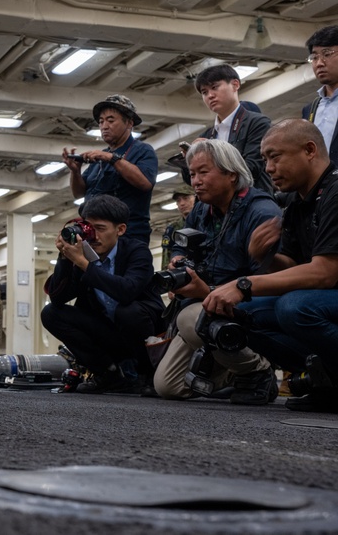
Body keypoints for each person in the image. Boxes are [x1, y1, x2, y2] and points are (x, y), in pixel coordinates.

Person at [203, 119, 338, 412]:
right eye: (264, 159)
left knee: (294, 307)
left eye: (275, 157)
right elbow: (291, 265)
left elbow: (325, 273)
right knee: (237, 314)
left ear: (309, 150)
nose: (268, 168)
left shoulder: (336, 191)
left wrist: (244, 283)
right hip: (326, 299)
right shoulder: (294, 201)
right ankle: (327, 381)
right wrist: (266, 256)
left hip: (326, 293)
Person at [153, 139, 282, 404]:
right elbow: (183, 244)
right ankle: (237, 376)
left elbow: (270, 284)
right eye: (192, 174)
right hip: (205, 310)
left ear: (231, 174)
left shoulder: (261, 212)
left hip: (247, 309)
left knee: (189, 319)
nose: (196, 181)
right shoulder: (201, 208)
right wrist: (178, 259)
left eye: (203, 172)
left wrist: (208, 291)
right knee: (168, 387)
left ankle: (258, 369)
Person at [41, 195, 165, 394]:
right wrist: (64, 257)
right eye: (89, 229)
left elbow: (127, 291)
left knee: (128, 311)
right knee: (50, 313)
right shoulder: (84, 253)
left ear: (120, 229)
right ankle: (108, 374)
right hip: (109, 333)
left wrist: (83, 264)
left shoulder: (137, 251)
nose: (93, 236)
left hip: (145, 334)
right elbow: (58, 298)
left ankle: (147, 374)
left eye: (100, 229)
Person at [63, 94, 158, 245]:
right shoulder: (100, 157)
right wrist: (75, 172)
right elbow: (79, 193)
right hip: (95, 237)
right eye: (101, 122)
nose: (104, 126)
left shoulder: (142, 151)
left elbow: (145, 182)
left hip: (128, 237)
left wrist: (111, 158)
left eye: (110, 120)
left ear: (129, 123)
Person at [184, 64, 273, 192]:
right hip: (220, 208)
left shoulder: (257, 123)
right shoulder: (207, 136)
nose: (210, 95)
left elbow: (252, 168)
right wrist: (189, 160)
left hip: (252, 202)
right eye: (204, 92)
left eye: (215, 87)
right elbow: (194, 181)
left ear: (235, 85)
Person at [302, 25, 338, 165]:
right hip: (321, 184)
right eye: (314, 57)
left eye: (327, 54)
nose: (319, 63)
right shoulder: (310, 109)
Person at [161, 185, 196, 269]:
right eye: (178, 200)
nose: (182, 203)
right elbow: (167, 255)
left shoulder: (205, 221)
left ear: (196, 198)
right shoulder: (173, 228)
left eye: (186, 198)